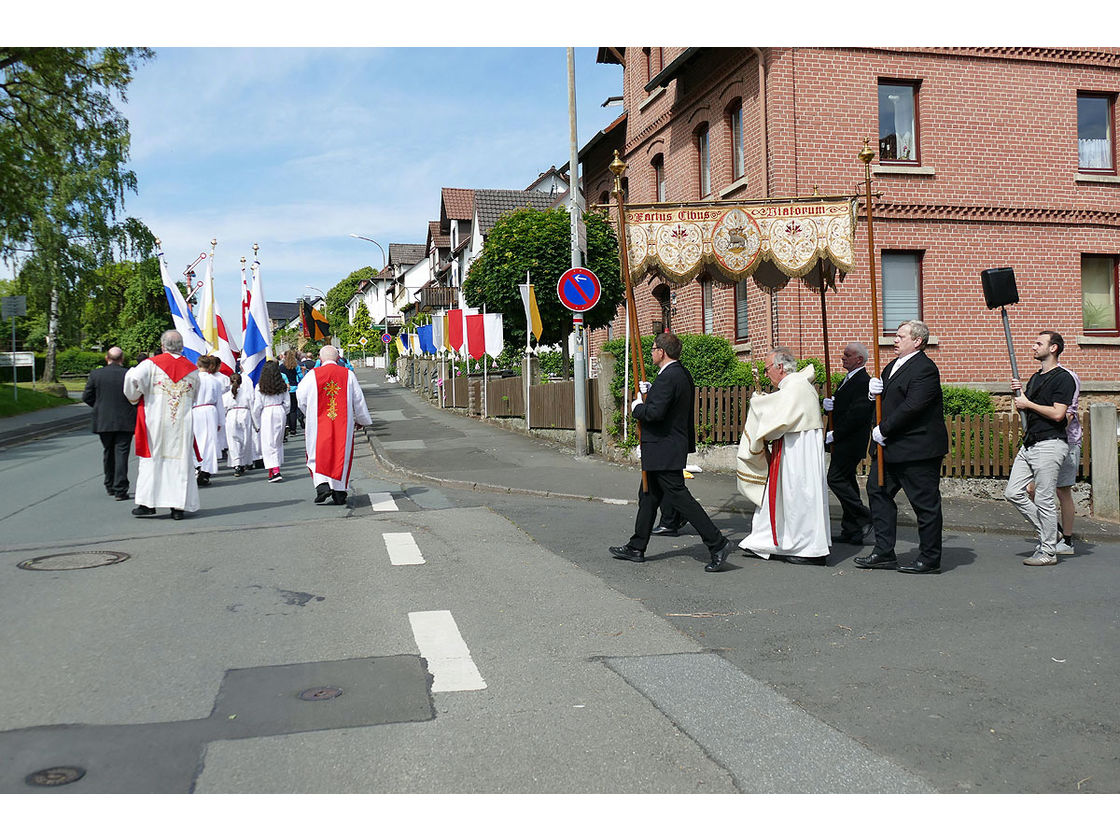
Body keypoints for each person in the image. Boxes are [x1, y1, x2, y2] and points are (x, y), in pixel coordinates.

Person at [608, 331, 732, 572]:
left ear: (662, 352)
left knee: (679, 497)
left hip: (663, 448)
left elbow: (655, 414)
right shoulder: (679, 373)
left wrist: (637, 407)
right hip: (667, 447)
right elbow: (669, 402)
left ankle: (717, 543)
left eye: (654, 349)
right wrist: (652, 390)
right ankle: (637, 547)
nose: (652, 352)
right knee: (648, 495)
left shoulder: (669, 377)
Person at [855, 320, 949, 574]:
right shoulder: (892, 366)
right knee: (878, 493)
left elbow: (913, 406)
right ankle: (884, 552)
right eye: (895, 336)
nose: (894, 340)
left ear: (917, 341)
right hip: (890, 448)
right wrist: (871, 393)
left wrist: (883, 429)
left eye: (900, 336)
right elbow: (886, 402)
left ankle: (930, 558)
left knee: (924, 504)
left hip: (916, 448)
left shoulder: (925, 369)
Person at [736, 347, 831, 564]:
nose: (766, 373)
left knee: (799, 497)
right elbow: (779, 409)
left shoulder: (796, 386)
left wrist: (758, 402)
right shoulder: (794, 385)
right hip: (791, 447)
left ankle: (808, 550)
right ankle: (767, 540)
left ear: (780, 366)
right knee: (783, 496)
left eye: (767, 368)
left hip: (799, 452)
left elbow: (777, 418)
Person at [1004, 331, 1077, 567]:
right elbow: (1026, 412)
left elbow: (1058, 414)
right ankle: (1050, 533)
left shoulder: (1063, 378)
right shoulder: (1035, 378)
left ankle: (1048, 552)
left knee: (1045, 498)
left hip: (1050, 444)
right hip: (1030, 443)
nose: (1033, 346)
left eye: (1039, 343)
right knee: (1013, 492)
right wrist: (1019, 397)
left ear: (1053, 348)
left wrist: (1028, 402)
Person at [123, 330, 200, 520]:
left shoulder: (149, 364)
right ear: (181, 347)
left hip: (155, 421)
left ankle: (148, 504)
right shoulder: (193, 370)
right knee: (180, 463)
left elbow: (132, 382)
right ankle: (178, 507)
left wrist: (135, 397)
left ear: (163, 345)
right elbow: (195, 396)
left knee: (153, 461)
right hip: (181, 422)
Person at [296, 344, 372, 505]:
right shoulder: (347, 374)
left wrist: (307, 413)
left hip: (318, 420)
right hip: (342, 422)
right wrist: (361, 419)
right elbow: (358, 399)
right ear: (338, 358)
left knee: (317, 452)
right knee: (340, 454)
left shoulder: (311, 375)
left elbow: (301, 398)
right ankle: (339, 491)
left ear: (320, 359)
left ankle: (322, 484)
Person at [823, 341, 875, 544]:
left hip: (849, 441)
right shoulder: (848, 378)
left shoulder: (863, 381)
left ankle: (864, 515)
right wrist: (828, 405)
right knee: (848, 482)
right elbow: (844, 405)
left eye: (848, 354)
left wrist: (836, 434)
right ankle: (852, 529)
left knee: (835, 479)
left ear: (859, 359)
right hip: (842, 440)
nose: (843, 357)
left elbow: (858, 414)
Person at [81, 346, 137, 501]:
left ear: (107, 358)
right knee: (121, 453)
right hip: (125, 419)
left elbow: (87, 396)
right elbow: (136, 395)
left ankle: (110, 484)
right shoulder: (128, 374)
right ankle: (121, 488)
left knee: (108, 451)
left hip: (103, 419)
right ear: (122, 359)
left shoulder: (96, 374)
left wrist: (98, 406)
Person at [253, 360, 290, 483]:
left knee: (268, 442)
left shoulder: (260, 387)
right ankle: (274, 467)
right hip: (279, 410)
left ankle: (275, 469)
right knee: (277, 441)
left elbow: (257, 406)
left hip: (267, 412)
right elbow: (287, 404)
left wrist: (256, 422)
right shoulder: (282, 385)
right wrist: (283, 412)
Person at [192, 355, 223, 486]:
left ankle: (197, 466)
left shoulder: (193, 379)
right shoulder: (214, 381)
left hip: (195, 410)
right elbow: (219, 402)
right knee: (210, 442)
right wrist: (221, 421)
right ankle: (206, 472)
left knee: (196, 441)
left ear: (198, 365)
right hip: (210, 410)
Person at [222, 372, 255, 477]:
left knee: (233, 441)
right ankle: (244, 462)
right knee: (246, 440)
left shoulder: (226, 396)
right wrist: (256, 424)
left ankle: (237, 463)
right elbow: (253, 408)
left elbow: (223, 409)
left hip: (231, 415)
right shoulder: (247, 393)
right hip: (244, 414)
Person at [279, 349, 303, 438]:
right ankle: (293, 429)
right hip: (294, 388)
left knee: (286, 408)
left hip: (285, 389)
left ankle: (287, 425)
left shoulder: (281, 366)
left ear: (284, 356)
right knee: (293, 409)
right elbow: (300, 376)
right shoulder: (295, 366)